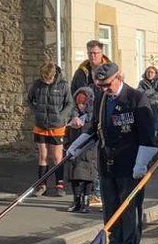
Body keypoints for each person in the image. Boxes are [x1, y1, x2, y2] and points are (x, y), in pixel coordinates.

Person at [68, 63, 156, 244]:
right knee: (110, 208)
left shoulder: (136, 98)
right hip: (108, 163)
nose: (104, 89)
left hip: (131, 164)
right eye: (100, 86)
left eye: (107, 85)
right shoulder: (101, 99)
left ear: (118, 78)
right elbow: (94, 129)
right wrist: (76, 146)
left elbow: (147, 135)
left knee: (128, 209)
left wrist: (142, 163)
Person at [70, 40, 111, 209]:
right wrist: (75, 116)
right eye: (90, 53)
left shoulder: (109, 69)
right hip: (85, 122)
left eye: (95, 53)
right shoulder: (81, 72)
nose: (92, 56)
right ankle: (87, 196)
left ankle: (100, 194)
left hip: (104, 119)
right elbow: (74, 96)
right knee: (86, 159)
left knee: (102, 158)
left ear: (102, 54)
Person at [27, 62, 73, 197]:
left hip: (57, 126)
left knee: (57, 157)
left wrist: (61, 116)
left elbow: (70, 103)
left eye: (48, 79)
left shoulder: (63, 85)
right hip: (41, 125)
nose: (46, 81)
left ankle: (60, 184)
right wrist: (36, 112)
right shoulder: (37, 84)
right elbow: (29, 100)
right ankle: (42, 185)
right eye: (43, 79)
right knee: (43, 156)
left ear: (53, 75)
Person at [64, 86, 97, 213]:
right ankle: (76, 201)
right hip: (74, 152)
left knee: (87, 178)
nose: (81, 107)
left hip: (89, 153)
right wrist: (67, 146)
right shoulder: (73, 117)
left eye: (83, 104)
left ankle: (86, 202)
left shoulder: (92, 118)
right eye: (79, 104)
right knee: (75, 178)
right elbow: (66, 133)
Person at [138, 66, 158, 139]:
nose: (149, 74)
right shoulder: (142, 83)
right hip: (147, 108)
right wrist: (152, 91)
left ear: (155, 73)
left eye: (152, 72)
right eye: (148, 72)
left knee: (155, 127)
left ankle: (154, 136)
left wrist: (147, 93)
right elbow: (139, 93)